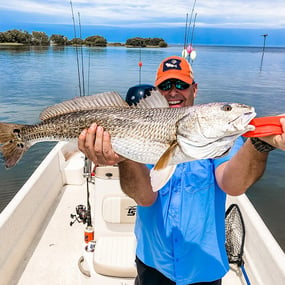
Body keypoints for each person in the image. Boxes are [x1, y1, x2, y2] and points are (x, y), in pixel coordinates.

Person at [78, 56, 285, 285]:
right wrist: (124, 156)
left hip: (204, 268)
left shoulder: (221, 138)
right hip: (153, 263)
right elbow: (145, 197)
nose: (173, 92)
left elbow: (233, 185)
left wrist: (260, 144)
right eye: (165, 86)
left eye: (181, 85)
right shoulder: (142, 134)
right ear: (157, 91)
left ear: (194, 89)